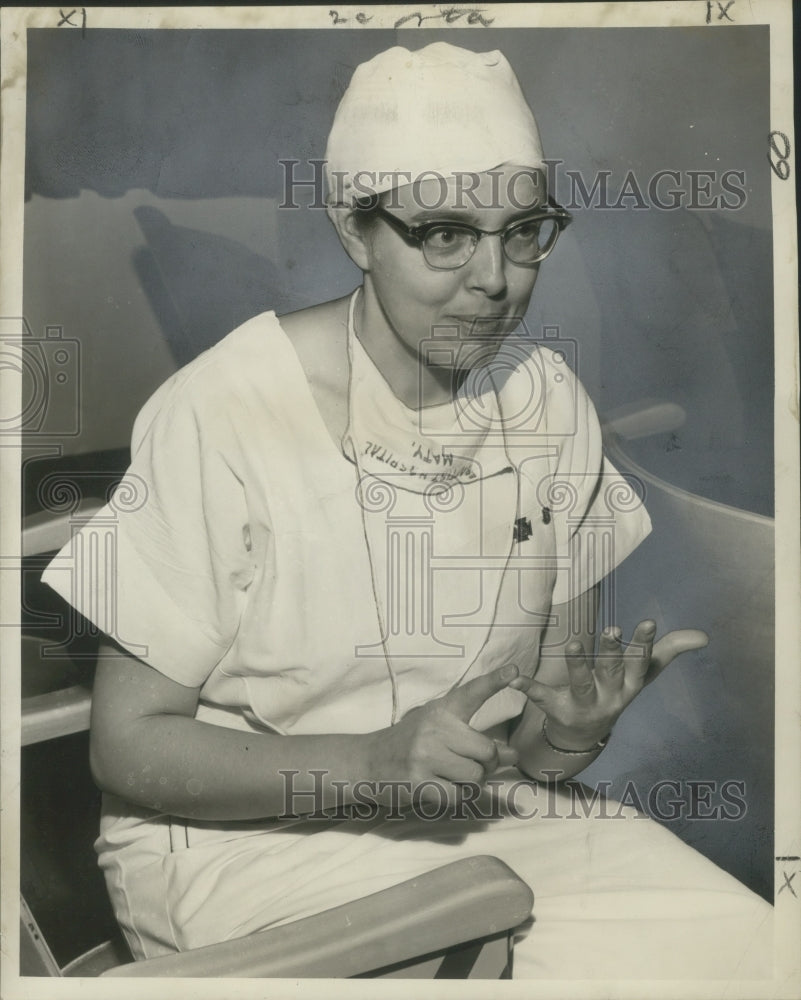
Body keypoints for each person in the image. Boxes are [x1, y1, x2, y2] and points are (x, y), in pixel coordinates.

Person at [43, 42, 772, 978]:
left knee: (749, 953)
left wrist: (574, 731)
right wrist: (378, 762)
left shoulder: (549, 406)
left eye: (522, 232)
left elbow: (534, 760)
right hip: (233, 847)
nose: (495, 279)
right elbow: (127, 748)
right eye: (444, 234)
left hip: (474, 825)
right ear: (356, 232)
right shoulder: (221, 408)